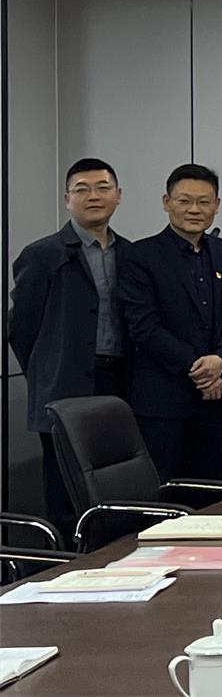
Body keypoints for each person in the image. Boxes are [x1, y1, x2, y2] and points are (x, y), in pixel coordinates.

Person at [8, 158, 131, 533]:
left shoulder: (130, 253)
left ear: (118, 195)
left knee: (116, 487)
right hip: (64, 388)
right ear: (67, 199)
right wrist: (48, 372)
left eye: (103, 188)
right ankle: (65, 563)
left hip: (118, 383)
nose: (93, 196)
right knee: (64, 493)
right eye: (82, 189)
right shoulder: (43, 254)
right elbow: (22, 328)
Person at [118, 164, 222, 481]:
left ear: (216, 205)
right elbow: (144, 326)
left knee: (218, 491)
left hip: (221, 401)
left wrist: (220, 359)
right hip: (164, 400)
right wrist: (199, 368)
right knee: (167, 492)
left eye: (204, 202)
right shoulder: (139, 255)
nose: (194, 209)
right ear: (167, 202)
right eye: (184, 200)